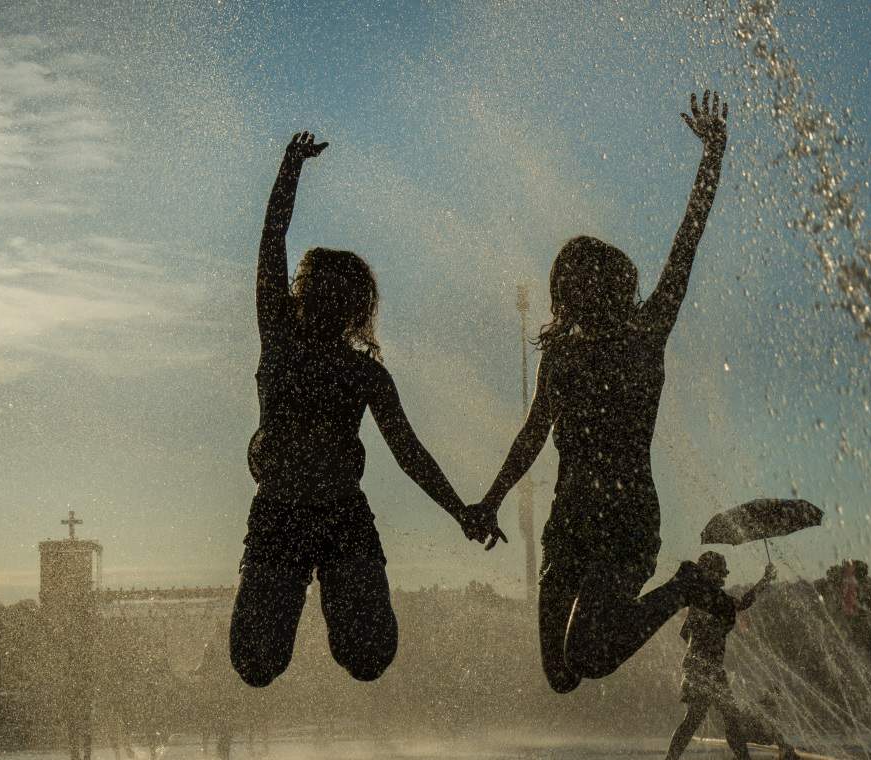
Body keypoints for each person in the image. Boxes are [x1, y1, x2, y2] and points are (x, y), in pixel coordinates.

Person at [472, 92, 729, 693]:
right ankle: (672, 593)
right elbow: (533, 433)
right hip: (571, 521)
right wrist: (489, 500)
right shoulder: (561, 357)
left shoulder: (646, 334)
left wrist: (713, 155)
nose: (581, 294)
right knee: (561, 675)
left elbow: (686, 243)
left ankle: (682, 588)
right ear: (568, 293)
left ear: (610, 287)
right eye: (573, 285)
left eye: (592, 282)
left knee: (588, 654)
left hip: (626, 520)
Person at [231, 132, 497, 688]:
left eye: (338, 298)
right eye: (318, 294)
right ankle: (304, 609)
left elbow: (409, 453)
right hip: (279, 512)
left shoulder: (363, 372)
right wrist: (290, 166)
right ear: (301, 298)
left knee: (370, 657)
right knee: (255, 663)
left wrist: (461, 511)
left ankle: (342, 608)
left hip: (341, 517)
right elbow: (271, 238)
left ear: (352, 309)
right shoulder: (279, 337)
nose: (326, 306)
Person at [664, 553, 793, 760]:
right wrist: (765, 580)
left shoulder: (704, 598)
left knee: (705, 719)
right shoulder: (711, 597)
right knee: (715, 719)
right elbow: (741, 604)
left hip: (702, 667)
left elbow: (684, 633)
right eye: (721, 571)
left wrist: (700, 648)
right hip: (705, 669)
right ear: (710, 573)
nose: (724, 575)